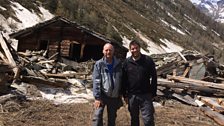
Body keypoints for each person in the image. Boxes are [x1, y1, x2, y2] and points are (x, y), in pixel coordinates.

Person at [122, 40, 157, 126]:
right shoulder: (126, 62)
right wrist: (124, 94)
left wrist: (153, 93)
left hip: (146, 95)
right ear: (130, 50)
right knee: (134, 119)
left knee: (148, 119)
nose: (135, 50)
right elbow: (123, 79)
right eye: (133, 49)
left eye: (136, 48)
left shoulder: (148, 60)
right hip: (132, 95)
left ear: (139, 48)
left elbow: (154, 77)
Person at [92, 43, 123, 126]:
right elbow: (96, 81)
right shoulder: (99, 64)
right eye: (106, 50)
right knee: (97, 117)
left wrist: (120, 94)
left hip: (114, 96)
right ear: (103, 51)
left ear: (113, 51)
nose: (108, 52)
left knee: (112, 119)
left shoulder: (119, 64)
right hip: (102, 95)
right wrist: (97, 97)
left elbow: (121, 80)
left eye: (110, 50)